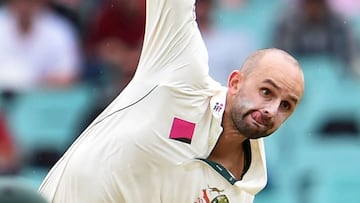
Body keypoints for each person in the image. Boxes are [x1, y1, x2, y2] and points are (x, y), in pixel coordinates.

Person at [38, 0, 304, 202]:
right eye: (267, 91)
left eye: (286, 105)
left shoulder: (243, 190)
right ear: (235, 82)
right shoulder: (181, 72)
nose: (271, 109)